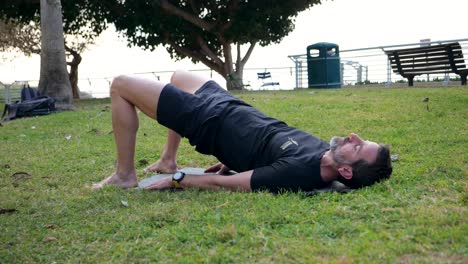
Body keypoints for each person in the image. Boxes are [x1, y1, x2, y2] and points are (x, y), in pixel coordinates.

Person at [92, 70, 392, 193]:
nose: (353, 136)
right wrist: (234, 158)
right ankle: (167, 156)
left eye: (357, 146)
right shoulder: (329, 154)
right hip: (230, 105)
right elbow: (272, 150)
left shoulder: (299, 173)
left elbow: (230, 183)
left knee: (120, 85)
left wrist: (178, 179)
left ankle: (125, 175)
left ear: (347, 172)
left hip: (206, 120)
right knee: (178, 75)